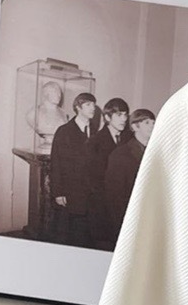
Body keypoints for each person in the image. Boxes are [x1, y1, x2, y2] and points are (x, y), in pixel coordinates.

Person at [48, 92, 98, 243]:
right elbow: (56, 163)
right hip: (70, 193)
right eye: (88, 104)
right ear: (78, 107)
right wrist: (58, 192)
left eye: (93, 104)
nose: (93, 108)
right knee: (68, 234)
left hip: (90, 195)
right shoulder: (64, 131)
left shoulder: (94, 131)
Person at [87, 98, 133, 243]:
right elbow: (92, 179)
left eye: (125, 115)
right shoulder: (95, 142)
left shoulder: (129, 139)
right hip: (103, 206)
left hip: (124, 204)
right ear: (107, 117)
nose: (124, 119)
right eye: (119, 115)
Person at [104, 108, 155, 237]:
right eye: (147, 123)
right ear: (135, 127)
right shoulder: (121, 154)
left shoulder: (157, 153)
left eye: (153, 122)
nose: (152, 126)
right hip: (128, 220)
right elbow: (114, 196)